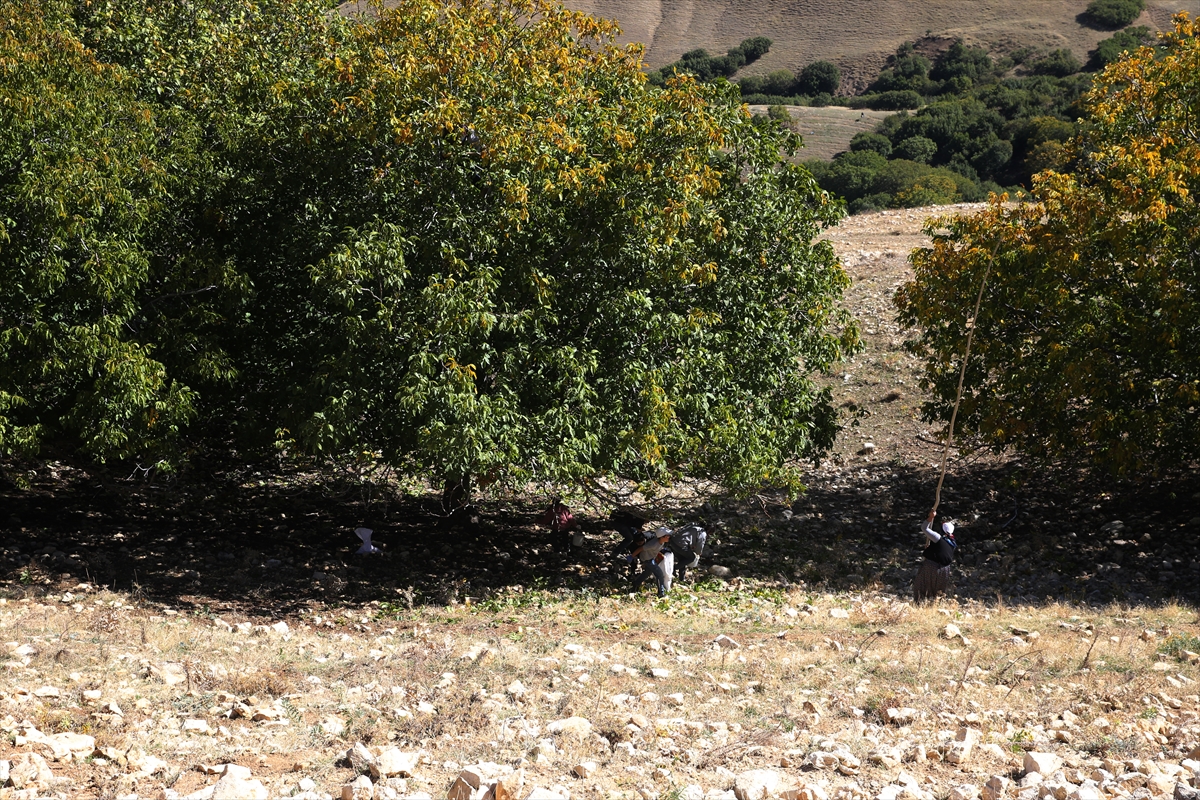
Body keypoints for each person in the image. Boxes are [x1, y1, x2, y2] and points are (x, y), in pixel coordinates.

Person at [914, 510, 957, 602]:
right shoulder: (952, 543)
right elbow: (940, 551)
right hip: (945, 570)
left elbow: (924, 528)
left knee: (921, 587)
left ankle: (919, 605)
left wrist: (930, 518)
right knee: (937, 593)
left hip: (931, 567)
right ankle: (933, 607)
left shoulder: (938, 538)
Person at [629, 527, 674, 597]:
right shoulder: (653, 544)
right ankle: (661, 593)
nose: (669, 537)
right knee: (660, 574)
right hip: (647, 559)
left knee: (647, 573)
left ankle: (635, 584)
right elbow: (641, 548)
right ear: (662, 537)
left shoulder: (661, 542)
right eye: (667, 536)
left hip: (651, 558)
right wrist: (631, 556)